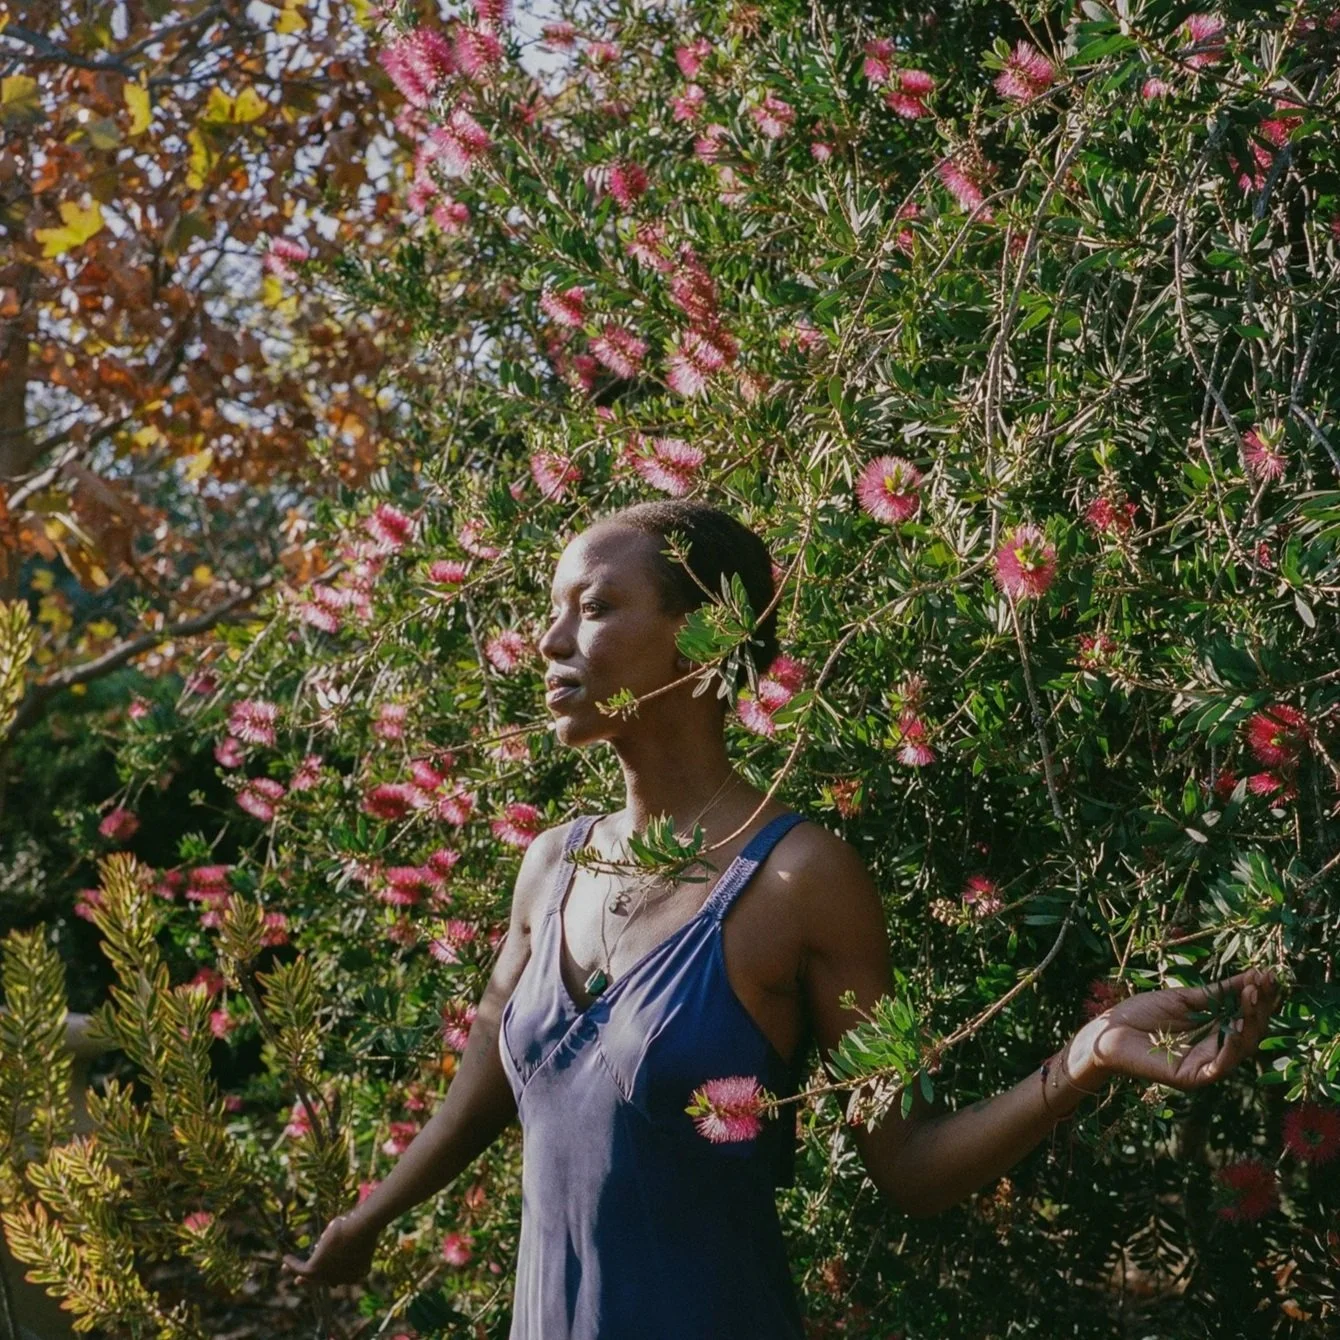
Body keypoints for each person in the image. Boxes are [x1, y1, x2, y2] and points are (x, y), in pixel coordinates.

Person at [282, 500, 1279, 1338]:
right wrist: (371, 1216)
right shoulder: (552, 863)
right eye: (553, 610)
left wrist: (1088, 1053)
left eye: (592, 606)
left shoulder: (801, 878)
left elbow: (908, 1165)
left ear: (705, 630)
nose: (549, 643)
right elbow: (486, 1083)